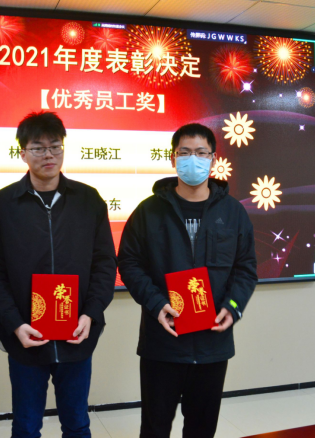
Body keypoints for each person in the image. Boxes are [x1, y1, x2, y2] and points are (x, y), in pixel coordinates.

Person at [0, 111, 116, 437]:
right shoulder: (2, 204)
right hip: (26, 337)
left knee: (77, 423)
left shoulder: (89, 200)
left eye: (55, 146)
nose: (48, 155)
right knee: (26, 426)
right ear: (22, 153)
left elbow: (104, 264)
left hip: (76, 335)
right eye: (38, 148)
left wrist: (90, 313)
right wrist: (15, 323)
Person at [118, 123, 257, 438]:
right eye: (185, 153)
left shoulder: (233, 213)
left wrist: (233, 306)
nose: (193, 159)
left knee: (202, 429)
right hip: (162, 343)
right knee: (155, 428)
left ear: (213, 158)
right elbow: (129, 263)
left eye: (201, 153)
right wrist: (156, 304)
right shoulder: (148, 212)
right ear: (173, 158)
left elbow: (246, 267)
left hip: (212, 344)